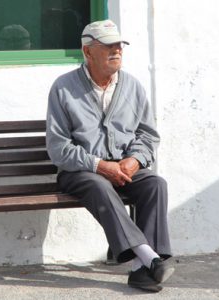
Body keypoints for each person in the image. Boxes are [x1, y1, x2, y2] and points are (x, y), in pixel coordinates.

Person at [46, 19, 174, 292]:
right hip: (79, 172)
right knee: (99, 184)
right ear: (88, 52)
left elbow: (148, 135)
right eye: (108, 47)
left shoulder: (133, 86)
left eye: (119, 46)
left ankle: (141, 270)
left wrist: (135, 160)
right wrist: (99, 165)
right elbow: (58, 148)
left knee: (155, 184)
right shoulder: (63, 88)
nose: (116, 51)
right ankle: (151, 258)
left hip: (124, 169)